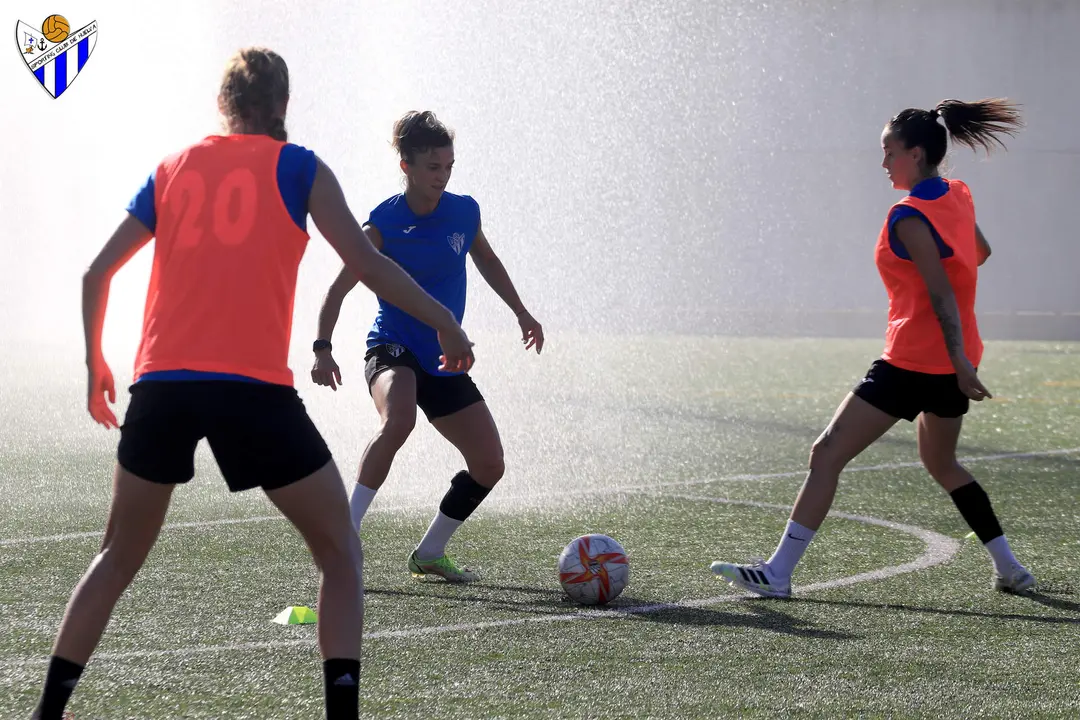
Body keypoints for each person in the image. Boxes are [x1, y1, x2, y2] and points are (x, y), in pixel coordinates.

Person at [30, 48, 474, 720]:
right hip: (252, 391)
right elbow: (366, 265)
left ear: (222, 106)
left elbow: (95, 275)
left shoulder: (173, 167)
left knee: (117, 555)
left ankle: (47, 712)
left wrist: (96, 365)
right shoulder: (299, 167)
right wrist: (445, 321)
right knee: (339, 554)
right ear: (283, 107)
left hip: (162, 384)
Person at [710, 98, 1035, 599]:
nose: (883, 163)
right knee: (943, 465)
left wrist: (955, 359)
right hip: (955, 360)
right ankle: (1010, 568)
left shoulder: (908, 216)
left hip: (913, 363)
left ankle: (777, 573)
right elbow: (981, 253)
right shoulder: (957, 194)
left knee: (826, 454)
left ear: (918, 154)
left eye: (890, 153)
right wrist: (962, 360)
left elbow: (940, 293)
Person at [311, 110, 544, 583]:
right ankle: (343, 539)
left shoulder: (463, 211)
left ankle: (431, 551)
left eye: (449, 166)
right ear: (407, 167)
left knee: (489, 463)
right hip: (392, 348)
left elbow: (489, 261)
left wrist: (521, 311)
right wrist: (322, 348)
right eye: (433, 167)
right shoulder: (381, 225)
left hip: (445, 358)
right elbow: (336, 291)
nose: (443, 176)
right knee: (399, 419)